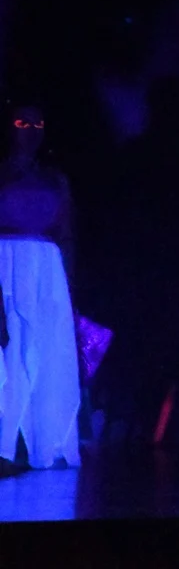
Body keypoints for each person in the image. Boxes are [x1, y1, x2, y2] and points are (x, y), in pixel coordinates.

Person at [0, 103, 81, 476]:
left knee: (43, 350)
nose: (31, 130)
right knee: (10, 352)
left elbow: (66, 233)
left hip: (46, 269)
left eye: (38, 123)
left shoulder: (54, 178)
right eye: (22, 122)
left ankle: (39, 439)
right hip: (6, 262)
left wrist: (70, 290)